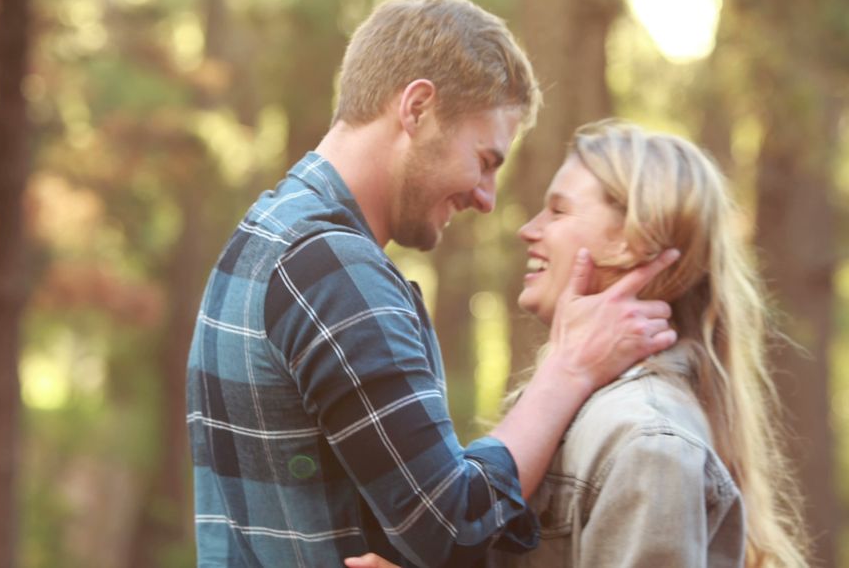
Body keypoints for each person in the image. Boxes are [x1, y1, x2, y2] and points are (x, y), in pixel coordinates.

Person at [186, 1, 678, 566]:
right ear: (417, 108)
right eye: (486, 159)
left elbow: (400, 515)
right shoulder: (331, 269)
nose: (487, 198)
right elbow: (453, 525)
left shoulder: (267, 232)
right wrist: (567, 369)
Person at [347, 121, 811, 568]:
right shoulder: (582, 407)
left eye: (559, 210)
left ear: (634, 240)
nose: (529, 228)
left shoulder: (648, 442)